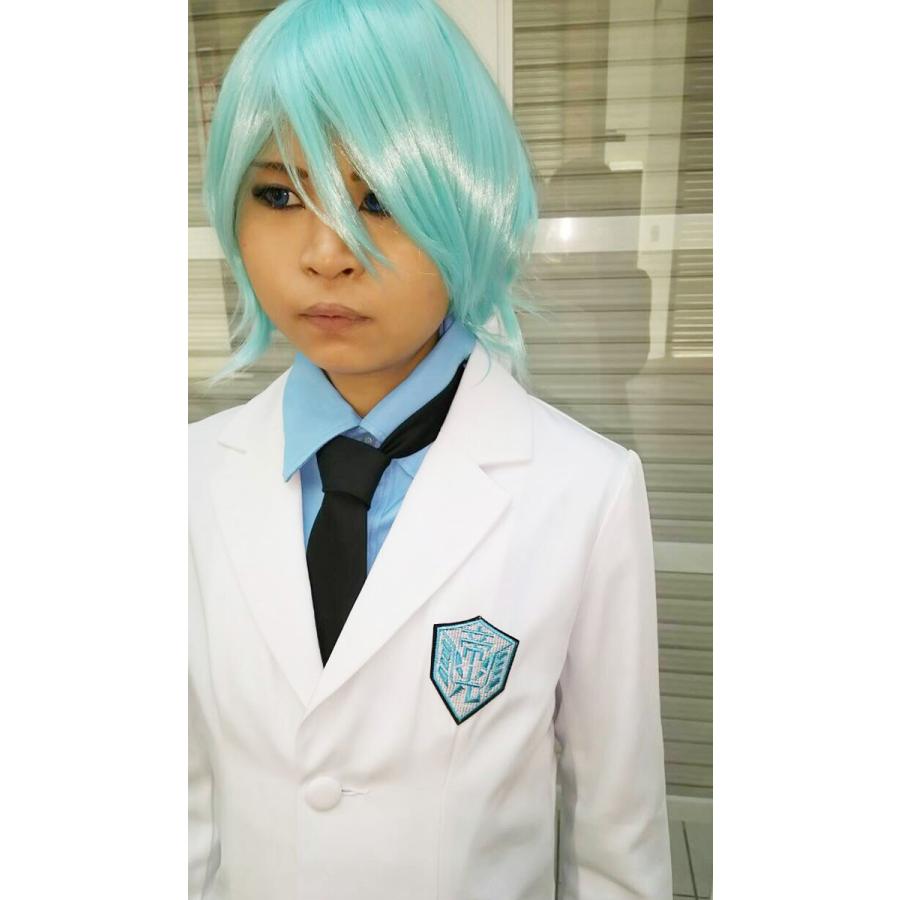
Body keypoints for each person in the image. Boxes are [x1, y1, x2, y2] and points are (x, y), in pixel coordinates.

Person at [188, 1, 672, 897]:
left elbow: (615, 841)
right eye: (280, 194)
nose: (326, 253)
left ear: (471, 206)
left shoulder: (587, 491)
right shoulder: (184, 478)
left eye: (380, 199)